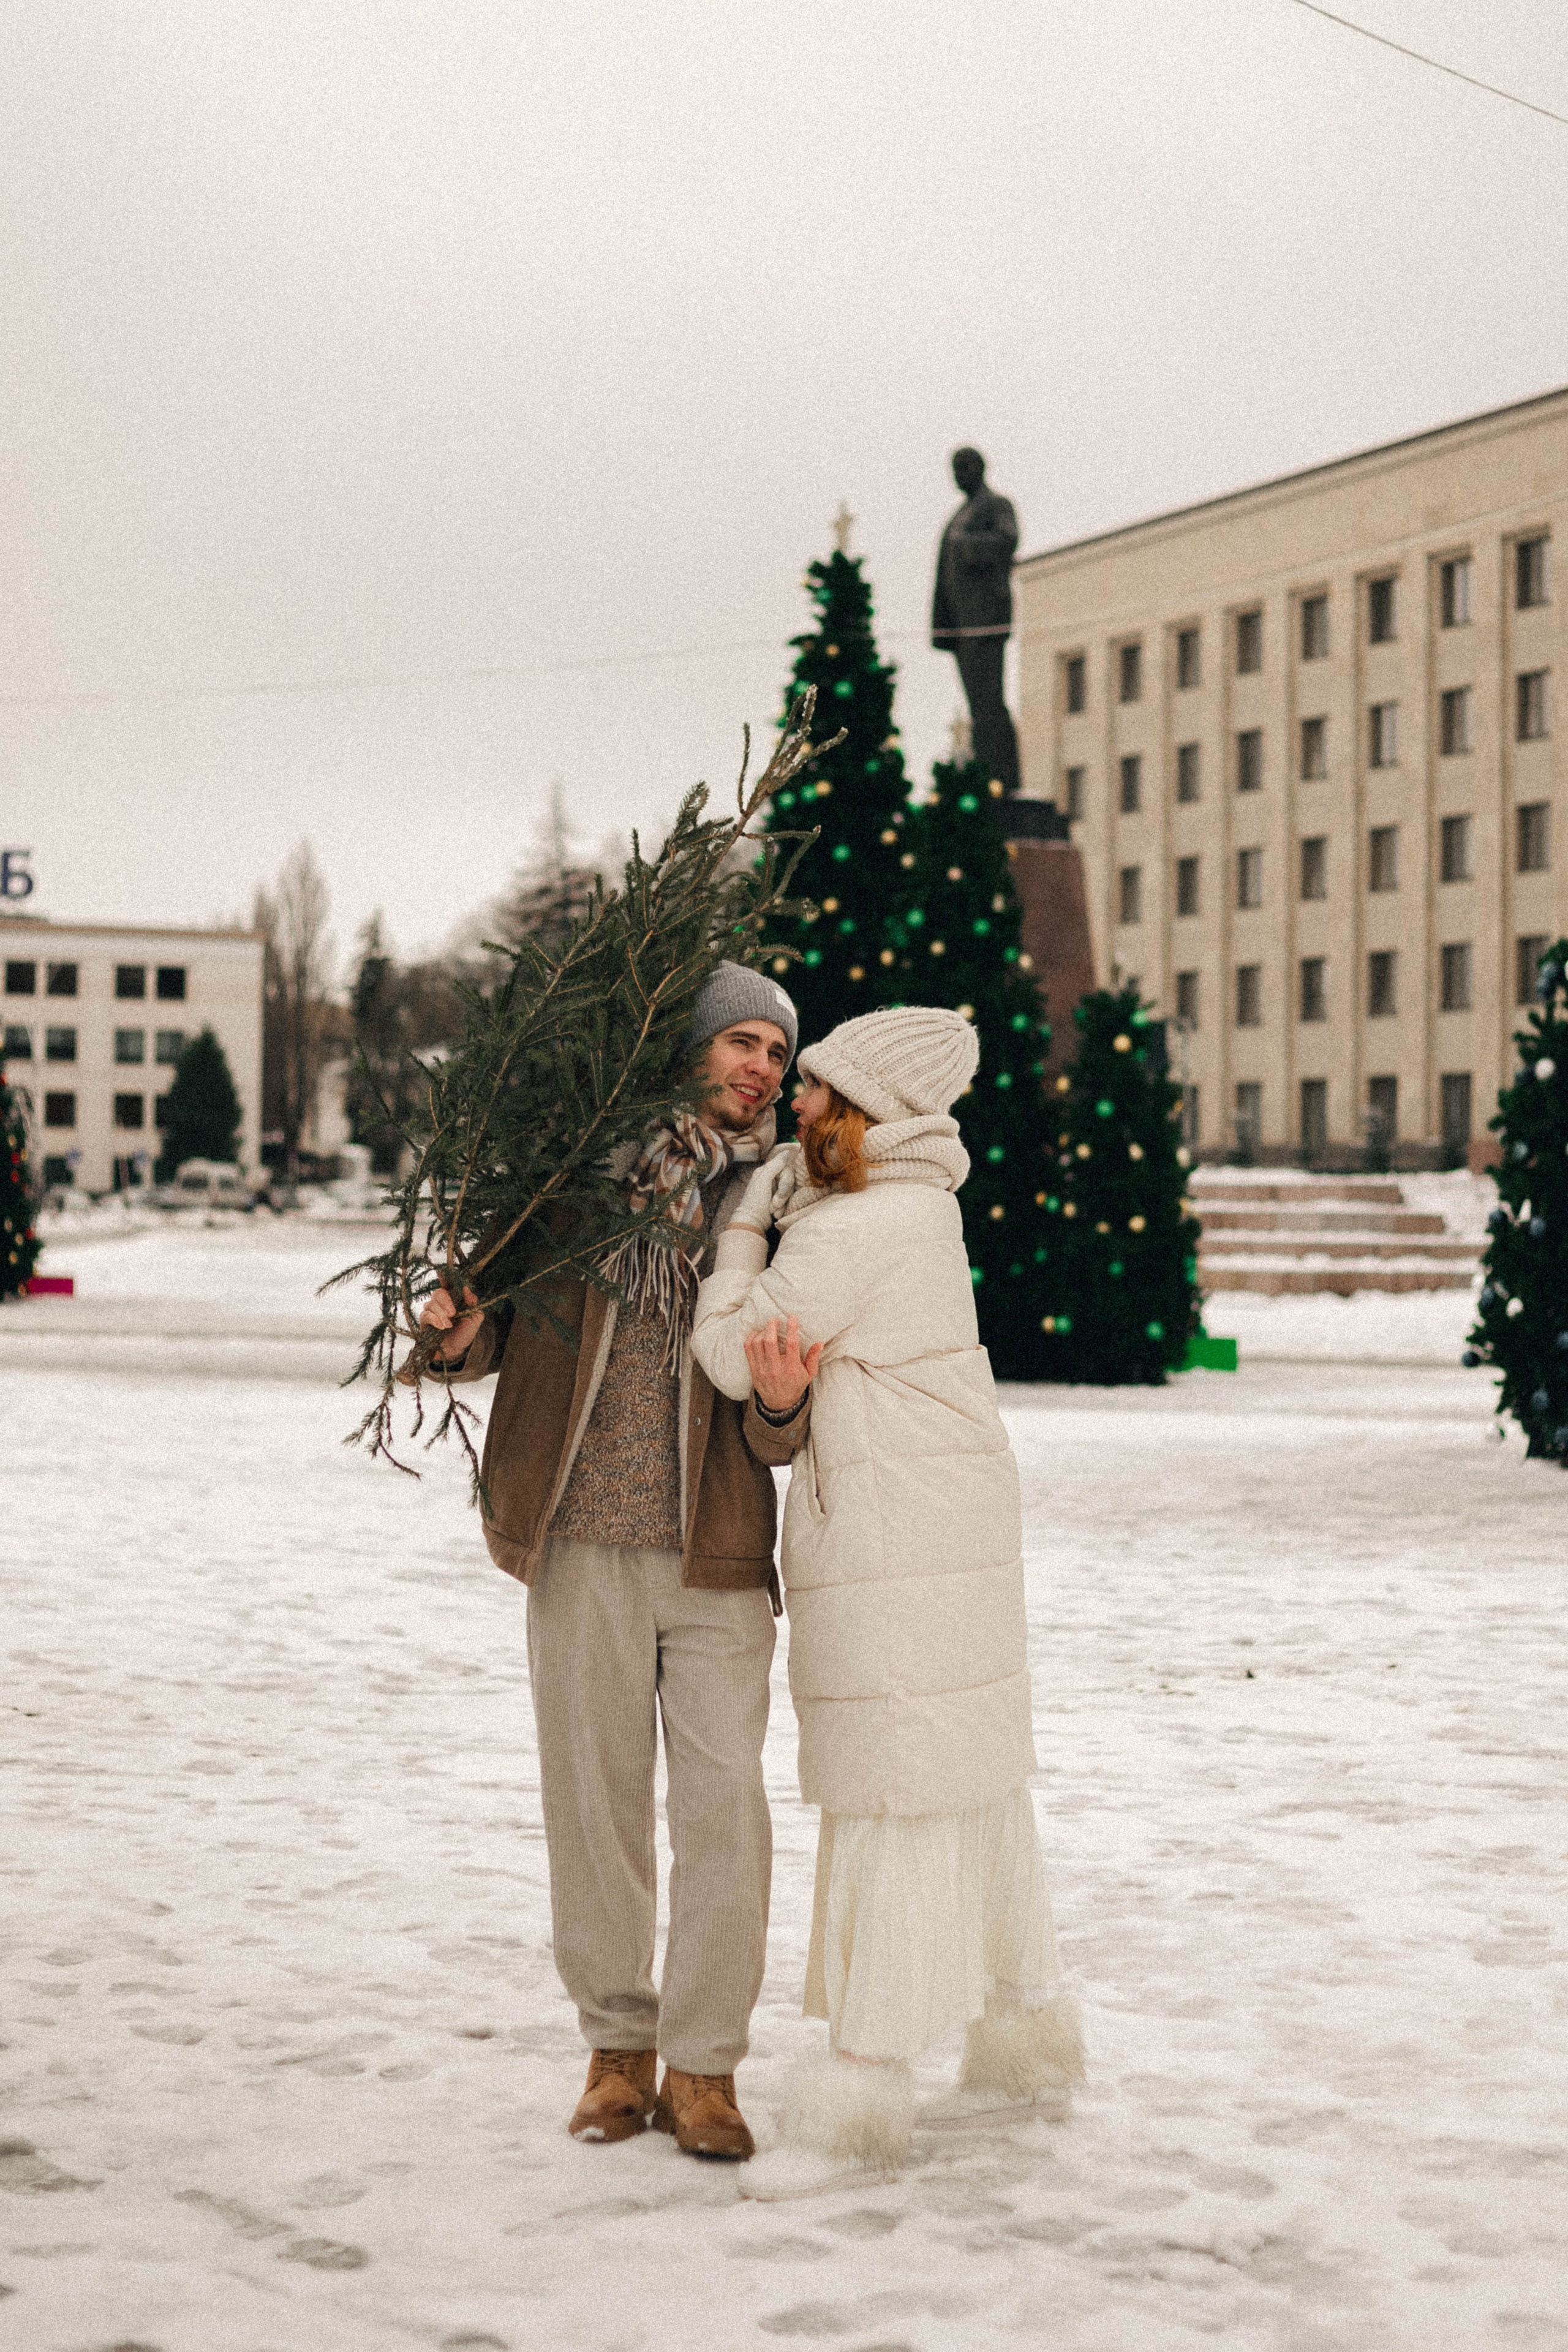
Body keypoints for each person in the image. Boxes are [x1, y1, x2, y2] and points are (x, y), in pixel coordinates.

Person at [417, 961, 812, 2163]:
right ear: (687, 1048)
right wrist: (451, 1327)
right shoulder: (579, 1181)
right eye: (740, 1042)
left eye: (777, 1055)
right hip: (578, 1536)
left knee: (722, 1815)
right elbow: (482, 1325)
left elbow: (783, 1409)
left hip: (717, 1555)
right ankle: (615, 2052)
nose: (759, 1068)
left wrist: (786, 1405)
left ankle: (703, 2069)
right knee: (591, 1813)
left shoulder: (784, 1207)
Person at [692, 1004, 1082, 2198]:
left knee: (892, 1794)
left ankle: (857, 2097)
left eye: (812, 1088)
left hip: (892, 1541)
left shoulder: (856, 1228)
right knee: (965, 1781)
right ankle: (1022, 2039)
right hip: (938, 1530)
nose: (789, 1105)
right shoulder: (919, 1210)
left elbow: (727, 1352)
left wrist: (744, 1230)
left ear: (862, 1111)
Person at [931, 445, 1020, 797]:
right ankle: (987, 772)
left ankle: (1003, 779)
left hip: (985, 621)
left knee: (989, 703)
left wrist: (966, 546)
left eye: (963, 467)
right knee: (977, 705)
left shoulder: (995, 505)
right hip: (963, 624)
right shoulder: (961, 513)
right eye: (954, 468)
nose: (958, 475)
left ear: (978, 468)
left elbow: (1008, 539)